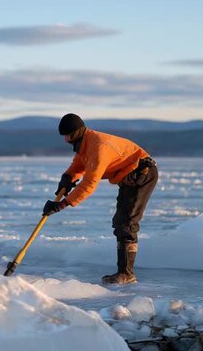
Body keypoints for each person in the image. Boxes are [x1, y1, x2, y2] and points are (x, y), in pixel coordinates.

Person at [43, 113, 158, 285]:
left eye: (67, 136)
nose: (65, 140)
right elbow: (79, 164)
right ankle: (125, 272)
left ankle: (126, 274)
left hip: (141, 173)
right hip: (129, 175)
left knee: (126, 223)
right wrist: (67, 177)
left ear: (75, 133)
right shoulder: (86, 143)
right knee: (121, 221)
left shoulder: (98, 147)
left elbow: (89, 183)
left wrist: (62, 204)